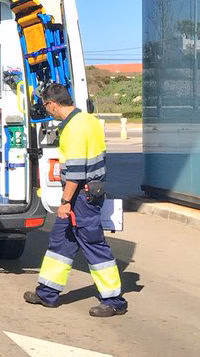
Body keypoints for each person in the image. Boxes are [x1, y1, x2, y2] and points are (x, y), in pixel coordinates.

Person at [24, 83, 127, 317]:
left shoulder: (73, 128)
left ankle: (114, 300)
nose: (47, 111)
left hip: (81, 196)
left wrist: (65, 201)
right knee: (60, 242)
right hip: (89, 191)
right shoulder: (88, 120)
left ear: (51, 104)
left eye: (46, 106)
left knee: (93, 244)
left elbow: (77, 172)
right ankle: (47, 292)